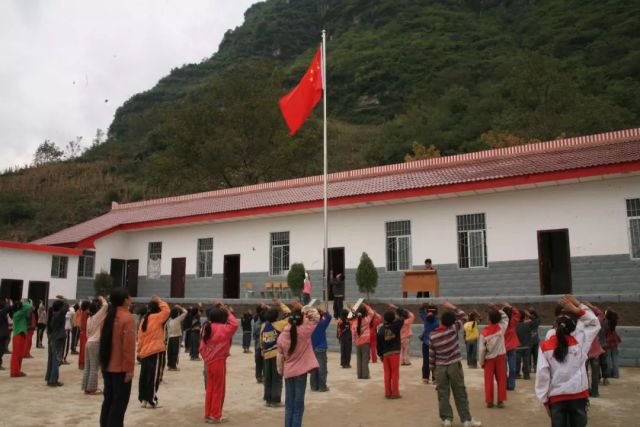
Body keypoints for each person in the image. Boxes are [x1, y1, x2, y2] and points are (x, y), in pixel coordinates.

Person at [535, 295, 600, 427]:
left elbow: (542, 374)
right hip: (578, 395)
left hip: (556, 397)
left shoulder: (546, 344)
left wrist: (545, 400)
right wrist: (578, 307)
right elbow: (594, 323)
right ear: (575, 322)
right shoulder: (581, 340)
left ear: (556, 321)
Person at [429, 301, 481, 427]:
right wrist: (452, 307)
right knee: (460, 391)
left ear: (441, 321)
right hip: (454, 365)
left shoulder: (433, 336)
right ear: (452, 322)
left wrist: (433, 371)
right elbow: (464, 317)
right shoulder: (453, 329)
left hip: (440, 367)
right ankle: (466, 420)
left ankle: (447, 419)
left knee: (443, 393)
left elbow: (432, 355)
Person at [276, 303, 320, 427]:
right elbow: (316, 317)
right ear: (301, 319)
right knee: (298, 404)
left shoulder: (282, 336)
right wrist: (303, 308)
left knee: (289, 404)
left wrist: (281, 371)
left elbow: (280, 356)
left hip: (288, 372)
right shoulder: (305, 331)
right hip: (301, 373)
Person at [100, 287, 135, 427]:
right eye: (129, 296)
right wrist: (129, 369)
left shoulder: (108, 317)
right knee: (119, 403)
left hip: (107, 366)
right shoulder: (127, 318)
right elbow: (128, 348)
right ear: (125, 300)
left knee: (108, 400)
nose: (131, 299)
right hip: (120, 369)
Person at [200, 302, 239, 424]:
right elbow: (235, 323)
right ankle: (215, 415)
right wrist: (227, 311)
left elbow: (201, 348)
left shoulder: (206, 327)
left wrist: (207, 357)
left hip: (209, 362)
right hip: (219, 362)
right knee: (218, 389)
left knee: (210, 389)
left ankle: (208, 414)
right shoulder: (223, 328)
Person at [137, 295, 170, 408]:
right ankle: (151, 400)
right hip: (155, 351)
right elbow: (167, 311)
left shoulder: (143, 320)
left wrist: (139, 351)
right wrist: (159, 300)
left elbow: (139, 338)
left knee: (144, 376)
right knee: (153, 376)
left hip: (145, 352)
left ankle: (143, 399)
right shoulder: (157, 317)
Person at [261, 299, 291, 407]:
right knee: (277, 377)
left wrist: (263, 351)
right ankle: (275, 400)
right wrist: (280, 304)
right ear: (277, 317)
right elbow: (289, 314)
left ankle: (268, 399)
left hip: (266, 354)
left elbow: (261, 341)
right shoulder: (279, 325)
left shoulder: (263, 326)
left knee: (268, 377)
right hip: (276, 354)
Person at [478, 306, 508, 409]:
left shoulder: (484, 333)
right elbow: (505, 317)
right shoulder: (502, 327)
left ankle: (489, 401)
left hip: (489, 359)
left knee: (488, 380)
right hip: (501, 357)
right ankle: (500, 401)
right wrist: (497, 308)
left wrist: (481, 362)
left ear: (489, 320)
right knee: (501, 379)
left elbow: (482, 350)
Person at [82, 296, 108, 394]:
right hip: (95, 342)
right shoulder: (97, 317)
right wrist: (102, 299)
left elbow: (87, 334)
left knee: (87, 366)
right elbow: (105, 306)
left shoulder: (89, 319)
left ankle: (86, 387)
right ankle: (92, 388)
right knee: (94, 367)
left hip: (88, 342)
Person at [377, 307, 404, 399]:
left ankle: (387, 393)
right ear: (394, 317)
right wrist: (397, 309)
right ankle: (395, 393)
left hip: (385, 354)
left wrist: (380, 355)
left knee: (387, 374)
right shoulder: (396, 325)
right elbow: (403, 315)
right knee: (395, 373)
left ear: (384, 318)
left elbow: (378, 344)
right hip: (394, 353)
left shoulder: (381, 329)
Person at [349, 302, 376, 380]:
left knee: (359, 359)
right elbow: (372, 313)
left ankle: (359, 375)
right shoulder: (367, 320)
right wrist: (366, 305)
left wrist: (354, 341)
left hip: (358, 343)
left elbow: (353, 333)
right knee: (365, 359)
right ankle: (365, 375)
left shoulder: (355, 322)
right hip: (365, 342)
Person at [45, 297, 69, 386]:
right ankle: (53, 380)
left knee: (51, 360)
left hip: (52, 339)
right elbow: (66, 306)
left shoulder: (52, 315)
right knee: (56, 360)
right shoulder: (59, 315)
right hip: (58, 339)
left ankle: (49, 378)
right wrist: (64, 299)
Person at [310, 305, 331, 392]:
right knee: (322, 368)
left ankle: (314, 386)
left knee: (313, 368)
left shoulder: (309, 325)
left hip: (312, 348)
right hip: (321, 348)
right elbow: (329, 317)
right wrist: (323, 311)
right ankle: (322, 387)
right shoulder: (321, 324)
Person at [10, 299, 32, 377]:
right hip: (18, 335)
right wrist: (25, 302)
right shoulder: (19, 313)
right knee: (16, 354)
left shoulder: (18, 313)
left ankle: (17, 371)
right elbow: (29, 306)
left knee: (19, 354)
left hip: (20, 335)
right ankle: (15, 372)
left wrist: (22, 303)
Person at [419, 303, 440, 384]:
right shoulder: (438, 322)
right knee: (435, 361)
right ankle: (435, 378)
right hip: (435, 344)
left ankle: (425, 378)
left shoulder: (425, 319)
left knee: (426, 361)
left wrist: (424, 305)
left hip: (426, 343)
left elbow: (421, 311)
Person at [502, 303, 520, 391]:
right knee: (505, 369)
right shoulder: (501, 324)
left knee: (512, 368)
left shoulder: (512, 322)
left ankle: (511, 385)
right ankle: (506, 384)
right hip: (503, 349)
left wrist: (510, 307)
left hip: (511, 348)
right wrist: (509, 307)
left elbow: (518, 314)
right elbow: (517, 314)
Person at [167, 305, 187, 371]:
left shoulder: (169, 320)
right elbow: (185, 312)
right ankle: (173, 366)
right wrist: (180, 307)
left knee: (169, 352)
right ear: (177, 314)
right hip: (176, 338)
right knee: (175, 352)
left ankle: (169, 365)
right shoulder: (178, 319)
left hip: (170, 338)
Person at [604, 308, 621, 379]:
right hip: (614, 341)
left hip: (607, 342)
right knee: (615, 358)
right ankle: (616, 374)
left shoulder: (605, 322)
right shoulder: (614, 321)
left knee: (607, 358)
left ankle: (608, 373)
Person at [253, 304, 268, 383]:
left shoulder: (256, 323)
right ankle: (265, 377)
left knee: (258, 362)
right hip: (265, 345)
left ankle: (258, 376)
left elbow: (254, 335)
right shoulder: (267, 325)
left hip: (257, 345)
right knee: (265, 362)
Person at [515, 313, 532, 380]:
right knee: (526, 361)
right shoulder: (527, 325)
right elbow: (530, 334)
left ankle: (517, 374)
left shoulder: (515, 326)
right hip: (526, 346)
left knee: (517, 361)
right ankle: (526, 375)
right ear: (524, 318)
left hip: (518, 346)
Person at [527, 308, 540, 373]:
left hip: (534, 341)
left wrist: (529, 315)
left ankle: (534, 367)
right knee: (532, 355)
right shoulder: (530, 322)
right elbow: (536, 318)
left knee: (534, 355)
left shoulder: (535, 321)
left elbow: (536, 318)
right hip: (531, 341)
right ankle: (531, 367)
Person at [79, 300, 90, 370]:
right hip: (85, 332)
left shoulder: (82, 312)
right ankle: (84, 363)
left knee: (82, 349)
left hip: (82, 332)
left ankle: (81, 364)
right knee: (84, 349)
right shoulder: (87, 313)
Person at [0, 299, 11, 370]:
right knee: (1, 349)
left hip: (3, 334)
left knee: (2, 349)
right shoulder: (1, 313)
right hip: (1, 334)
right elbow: (7, 308)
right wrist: (8, 303)